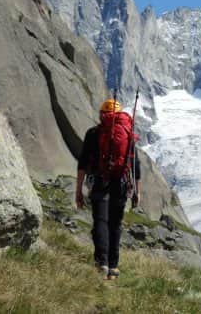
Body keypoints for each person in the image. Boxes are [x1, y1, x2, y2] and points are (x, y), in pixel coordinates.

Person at [75, 98, 141, 280]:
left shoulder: (93, 133)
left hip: (99, 182)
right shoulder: (127, 133)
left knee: (101, 222)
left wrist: (78, 190)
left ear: (102, 115)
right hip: (121, 183)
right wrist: (137, 192)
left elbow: (82, 164)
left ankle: (101, 263)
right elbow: (135, 165)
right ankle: (114, 266)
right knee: (115, 224)